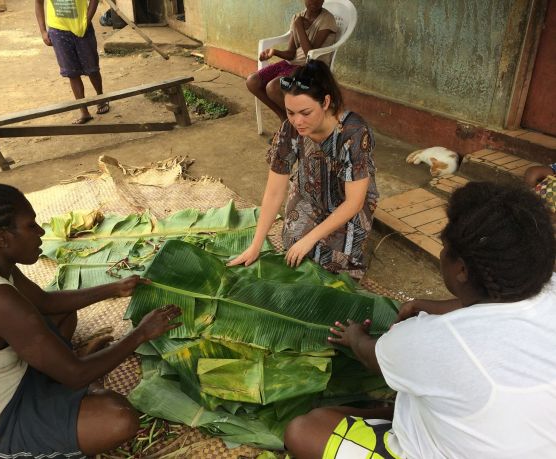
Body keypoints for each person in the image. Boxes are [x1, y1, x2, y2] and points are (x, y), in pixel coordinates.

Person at [284, 181, 556, 459]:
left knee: (304, 430)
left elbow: (372, 357)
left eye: (445, 247)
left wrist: (356, 338)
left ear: (461, 269)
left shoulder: (435, 340)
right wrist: (435, 306)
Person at [0, 183, 182, 459]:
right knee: (119, 419)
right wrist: (140, 334)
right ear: (2, 238)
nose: (41, 232)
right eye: (31, 226)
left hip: (5, 379)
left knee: (62, 312)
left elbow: (46, 303)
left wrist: (114, 289)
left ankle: (63, 370)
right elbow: (75, 375)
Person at [230, 60, 378, 280]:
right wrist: (256, 245)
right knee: (293, 250)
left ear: (326, 102)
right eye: (290, 112)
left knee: (334, 264)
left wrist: (310, 238)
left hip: (348, 204)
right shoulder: (289, 130)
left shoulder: (354, 132)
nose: (297, 121)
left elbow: (354, 202)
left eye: (305, 112)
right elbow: (274, 192)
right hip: (308, 195)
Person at [246, 0, 337, 122]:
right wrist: (274, 52)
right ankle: (284, 118)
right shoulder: (298, 17)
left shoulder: (327, 19)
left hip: (310, 67)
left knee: (273, 87)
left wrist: (299, 26)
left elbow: (309, 53)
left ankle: (295, 124)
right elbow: (290, 53)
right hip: (291, 64)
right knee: (252, 81)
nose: (314, 1)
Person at [35, 0, 110, 124]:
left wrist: (87, 20)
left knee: (92, 69)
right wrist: (43, 31)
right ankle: (84, 111)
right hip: (58, 31)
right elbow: (38, 3)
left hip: (83, 28)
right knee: (72, 73)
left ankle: (100, 98)